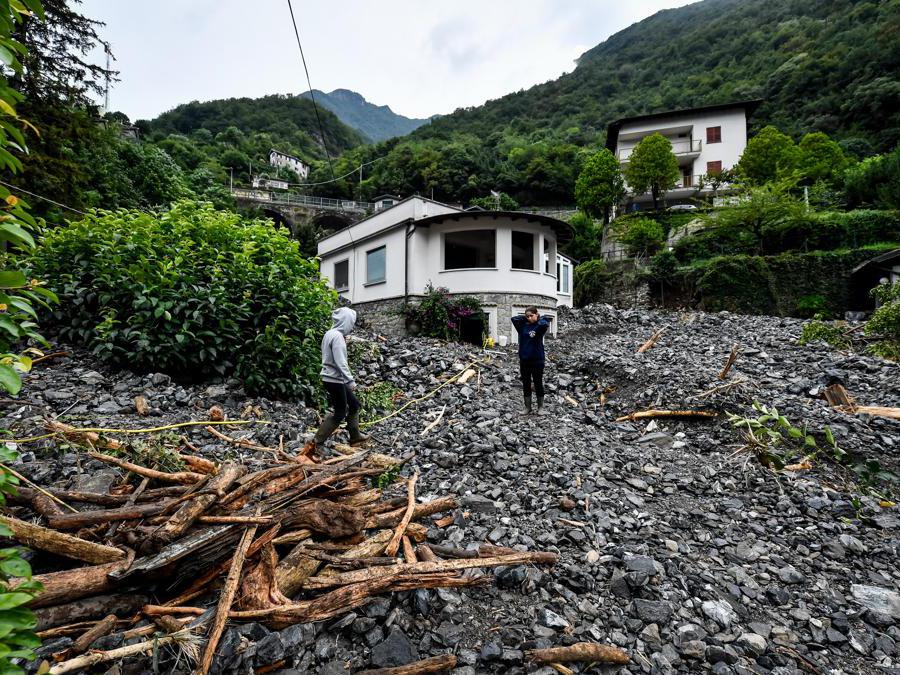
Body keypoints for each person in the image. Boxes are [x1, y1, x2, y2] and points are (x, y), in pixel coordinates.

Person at [313, 306, 370, 447]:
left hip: (332, 378)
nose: (352, 326)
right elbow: (341, 362)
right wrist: (350, 380)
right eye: (351, 322)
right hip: (335, 380)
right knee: (339, 413)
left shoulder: (330, 333)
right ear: (346, 321)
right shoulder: (337, 337)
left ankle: (355, 436)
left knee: (354, 404)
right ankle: (316, 442)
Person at [511, 307, 551, 414]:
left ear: (536, 314)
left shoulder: (540, 327)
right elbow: (514, 319)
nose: (529, 318)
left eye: (531, 315)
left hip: (537, 360)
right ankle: (527, 407)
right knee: (526, 383)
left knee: (538, 383)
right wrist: (526, 318)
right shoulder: (522, 327)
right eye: (527, 316)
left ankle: (540, 408)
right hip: (524, 360)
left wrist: (537, 318)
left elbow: (545, 322)